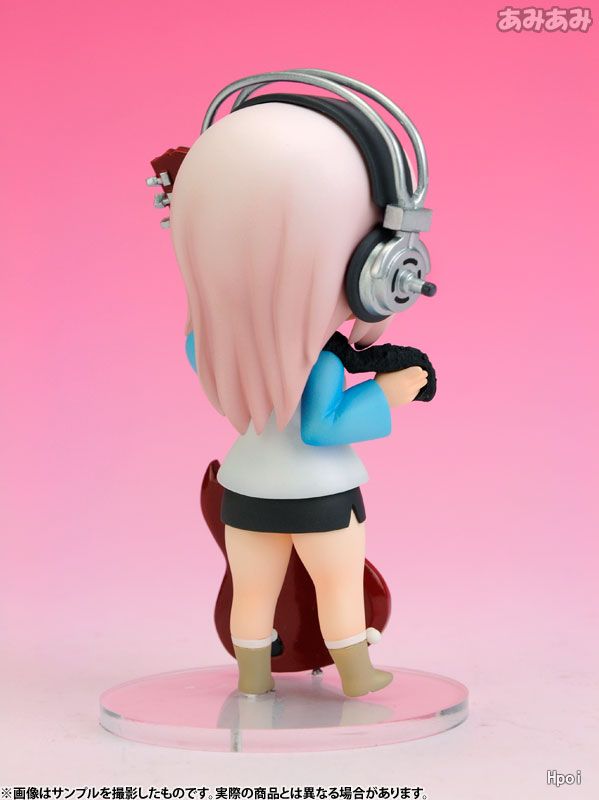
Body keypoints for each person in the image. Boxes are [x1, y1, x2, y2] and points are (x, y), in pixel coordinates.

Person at [170, 101, 427, 697]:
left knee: (254, 589)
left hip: (246, 491)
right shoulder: (321, 360)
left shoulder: (207, 343)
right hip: (319, 497)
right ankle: (356, 675)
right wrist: (388, 392)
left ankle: (253, 678)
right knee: (337, 584)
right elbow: (321, 426)